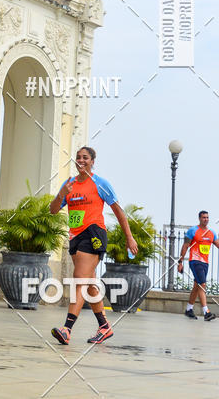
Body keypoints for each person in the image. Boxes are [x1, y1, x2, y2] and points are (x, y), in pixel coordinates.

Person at [49, 145, 138, 346]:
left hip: (93, 234)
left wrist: (129, 237)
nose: (81, 160)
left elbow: (118, 211)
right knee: (89, 284)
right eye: (78, 157)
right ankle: (104, 327)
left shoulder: (100, 183)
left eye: (85, 157)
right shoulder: (69, 184)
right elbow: (53, 210)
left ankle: (67, 329)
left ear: (92, 161)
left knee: (79, 280)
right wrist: (61, 194)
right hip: (75, 236)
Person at [177, 210, 219, 321]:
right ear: (199, 218)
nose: (206, 219)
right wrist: (180, 262)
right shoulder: (192, 231)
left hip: (205, 263)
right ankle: (206, 312)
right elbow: (185, 246)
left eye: (207, 217)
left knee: (197, 286)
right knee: (202, 284)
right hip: (195, 261)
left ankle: (189, 309)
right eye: (204, 217)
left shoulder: (211, 232)